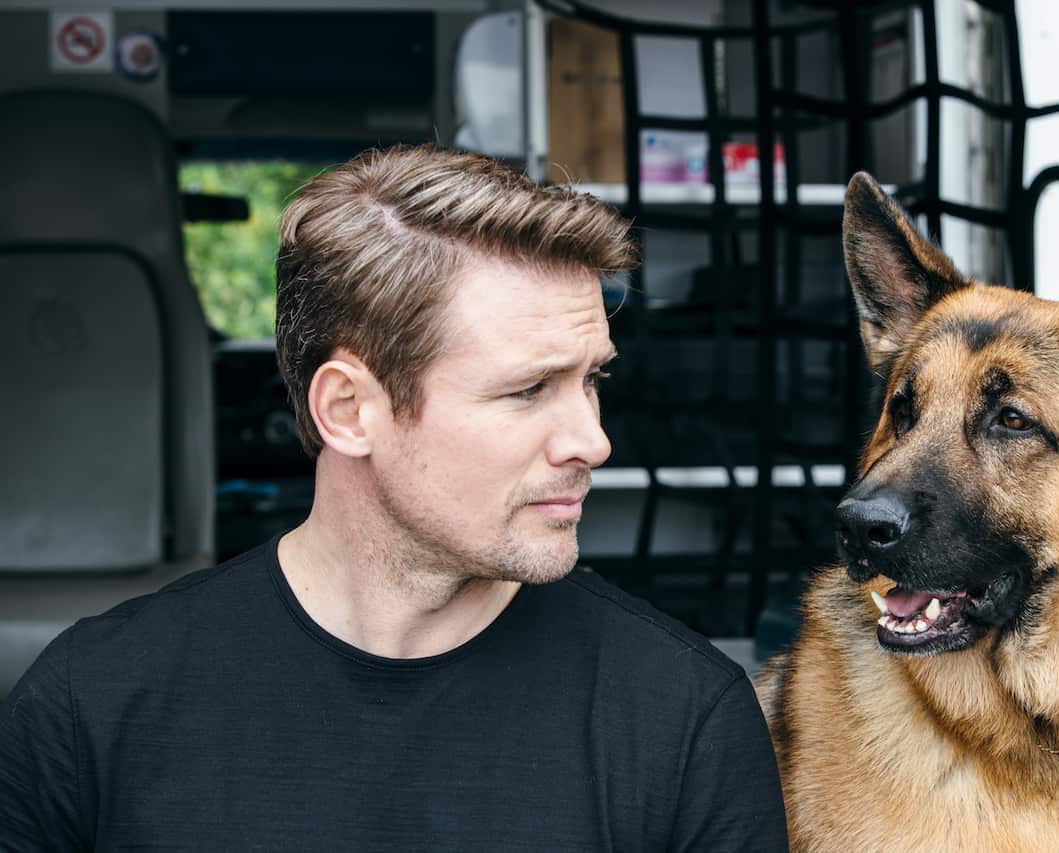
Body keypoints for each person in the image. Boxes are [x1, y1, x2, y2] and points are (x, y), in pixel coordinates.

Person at [0, 145, 789, 851]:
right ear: (347, 410)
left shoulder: (683, 718)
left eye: (591, 380)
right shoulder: (91, 703)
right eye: (527, 390)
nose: (591, 440)